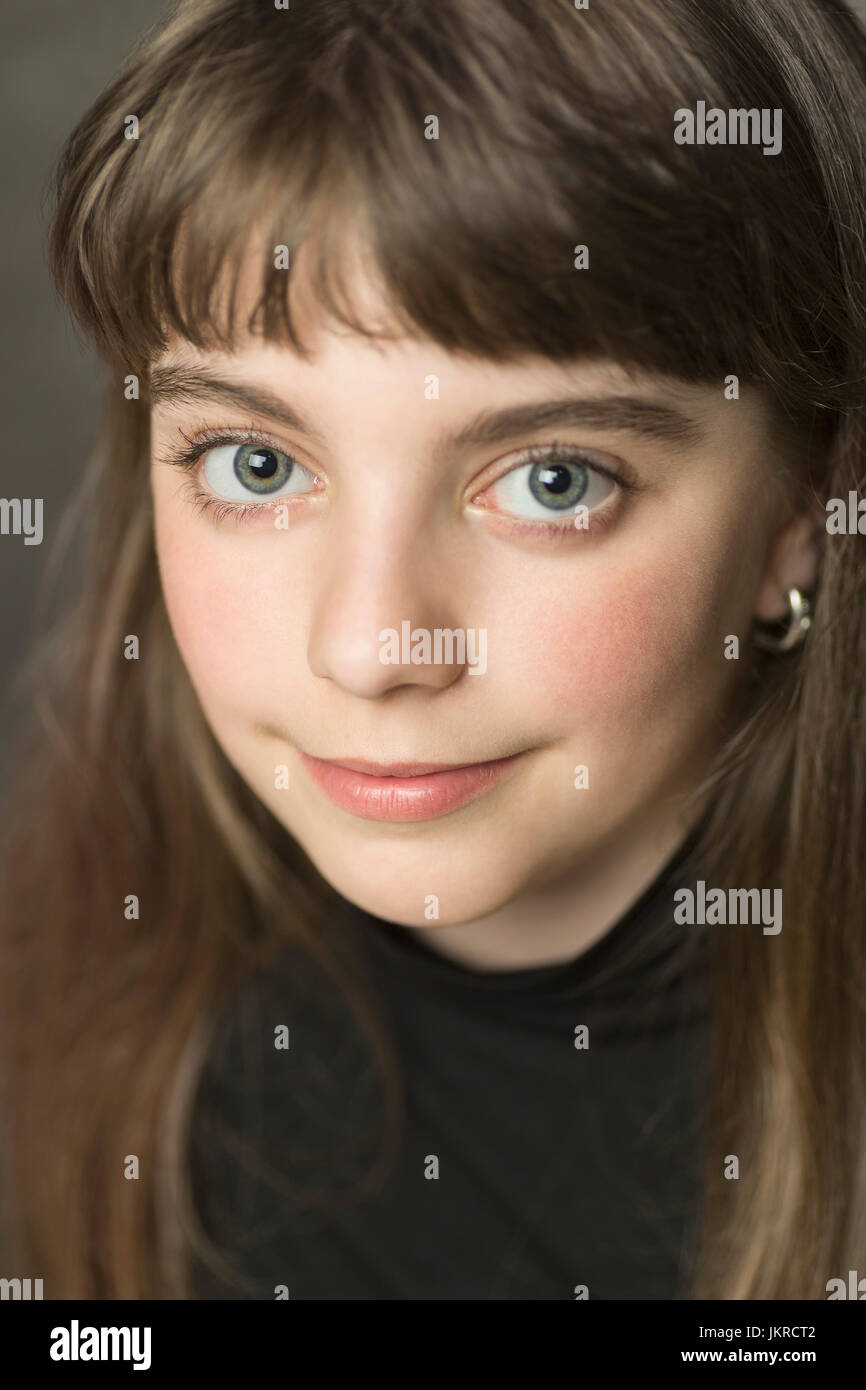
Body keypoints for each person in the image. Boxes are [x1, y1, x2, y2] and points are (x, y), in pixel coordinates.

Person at [1, 0, 865, 1300]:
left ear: (796, 524)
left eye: (554, 481)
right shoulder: (64, 1008)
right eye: (257, 462)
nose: (368, 646)